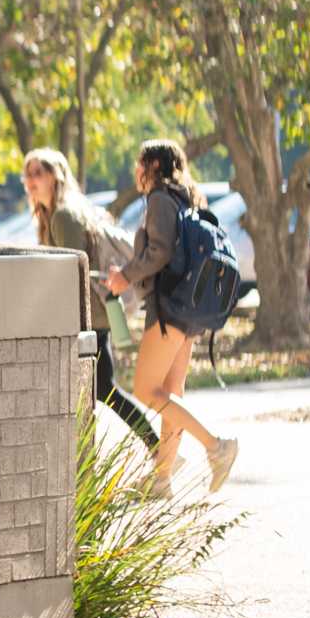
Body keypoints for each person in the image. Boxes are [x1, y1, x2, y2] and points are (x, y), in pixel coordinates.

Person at [105, 139, 240, 495]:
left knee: (146, 390)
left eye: (140, 163)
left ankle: (216, 447)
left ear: (152, 166)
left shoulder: (160, 199)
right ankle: (162, 478)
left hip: (169, 308)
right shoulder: (189, 198)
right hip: (190, 309)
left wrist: (124, 276)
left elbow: (159, 252)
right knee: (170, 394)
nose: (136, 171)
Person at [20, 147, 156, 447]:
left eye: (38, 173)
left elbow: (71, 273)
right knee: (97, 390)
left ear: (56, 177)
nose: (30, 180)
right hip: (94, 314)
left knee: (102, 389)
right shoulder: (53, 214)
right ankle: (152, 450)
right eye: (27, 173)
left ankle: (157, 449)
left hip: (88, 316)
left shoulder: (64, 216)